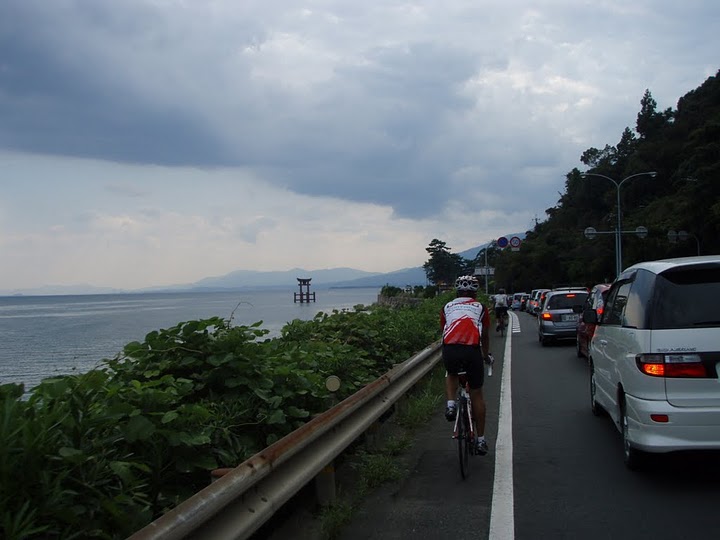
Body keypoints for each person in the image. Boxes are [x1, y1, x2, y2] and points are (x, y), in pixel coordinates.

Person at [441, 275, 492, 455]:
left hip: (451, 349)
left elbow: (444, 330)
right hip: (471, 351)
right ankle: (480, 440)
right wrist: (486, 356)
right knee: (476, 393)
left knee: (451, 373)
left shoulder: (447, 306)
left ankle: (450, 405)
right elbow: (484, 335)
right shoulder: (481, 307)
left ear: (457, 291)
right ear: (474, 292)